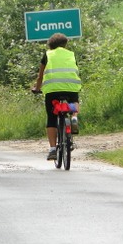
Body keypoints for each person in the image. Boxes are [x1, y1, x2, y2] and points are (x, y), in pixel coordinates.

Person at [31, 33, 82, 161]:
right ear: (65, 44)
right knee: (74, 101)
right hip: (71, 87)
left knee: (52, 118)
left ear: (50, 45)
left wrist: (37, 88)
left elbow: (40, 76)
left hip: (52, 90)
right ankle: (74, 117)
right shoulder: (71, 54)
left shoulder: (48, 55)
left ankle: (53, 149)